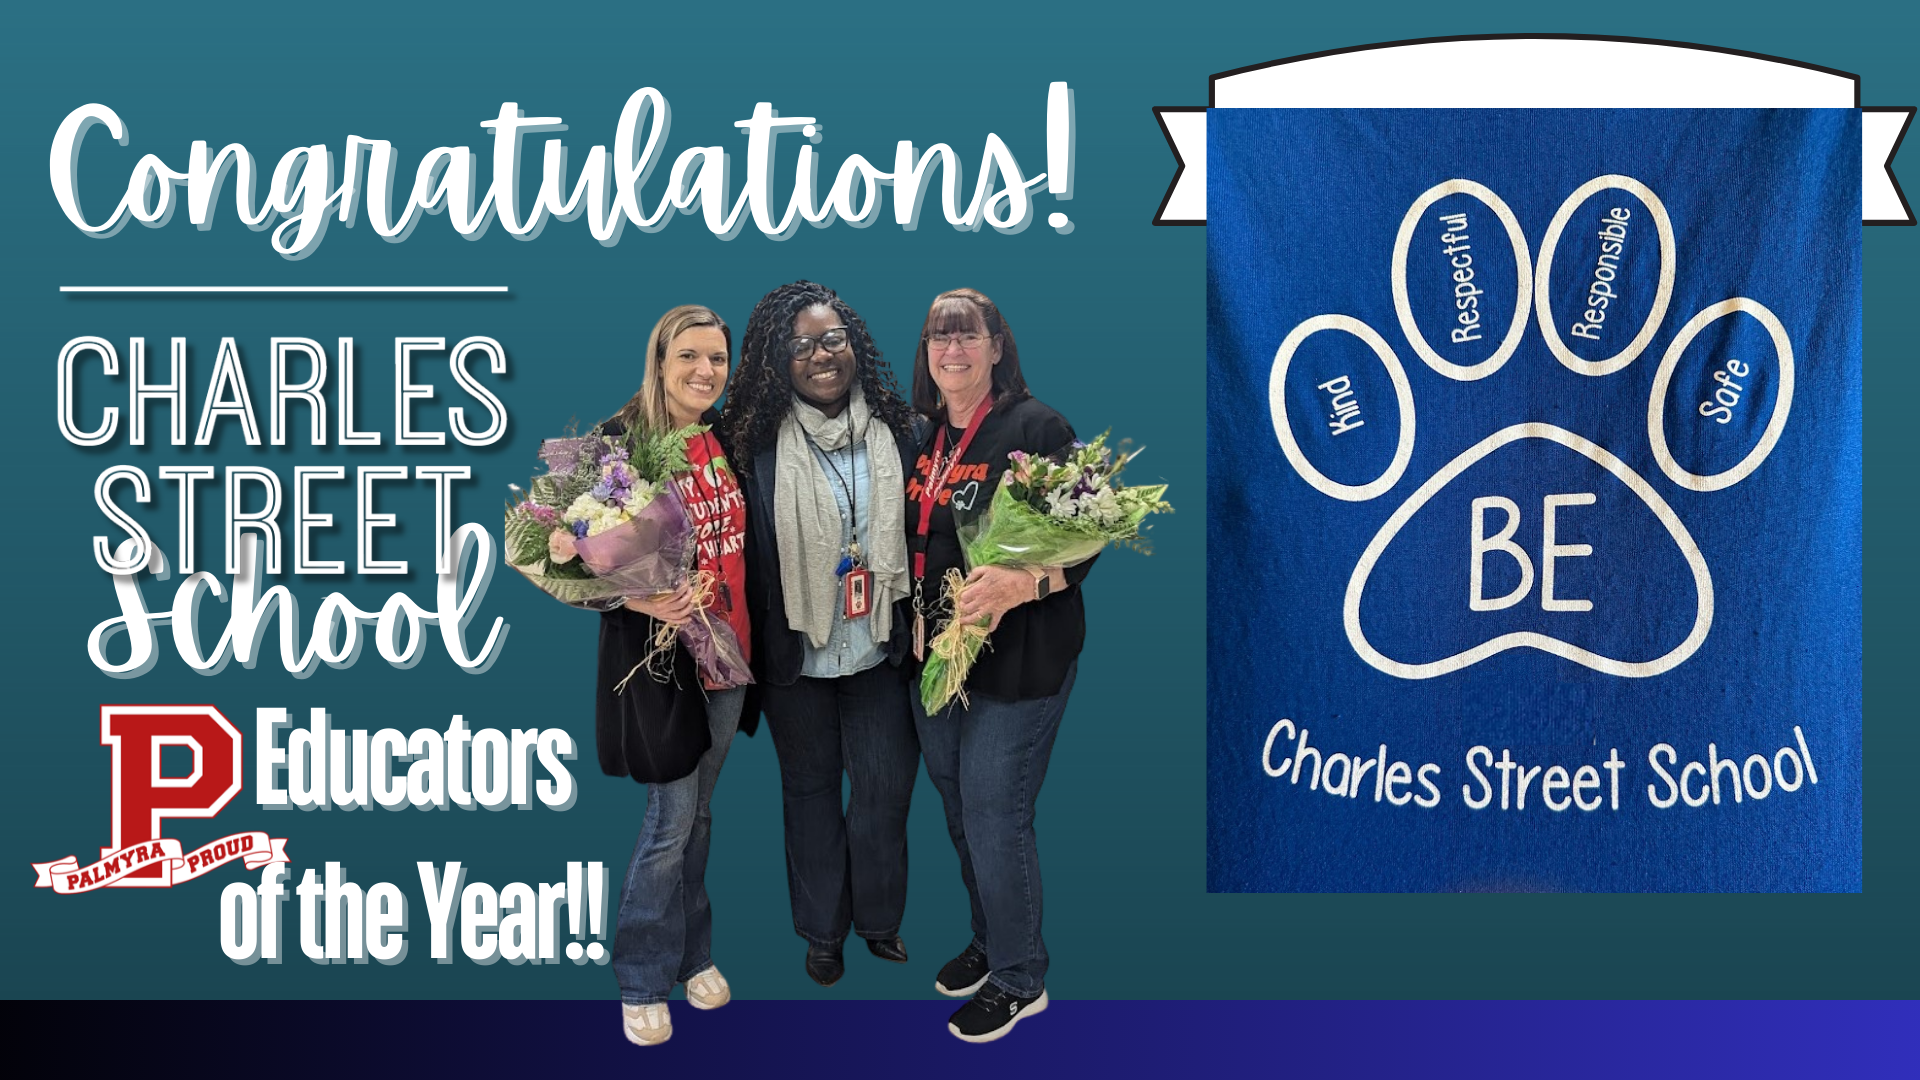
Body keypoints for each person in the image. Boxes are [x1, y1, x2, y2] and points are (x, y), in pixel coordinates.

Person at [720, 282, 922, 987]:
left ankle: (879, 922)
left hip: (879, 649)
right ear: (779, 360)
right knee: (808, 796)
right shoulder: (747, 445)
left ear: (856, 344)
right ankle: (821, 932)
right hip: (794, 658)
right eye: (801, 344)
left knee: (884, 793)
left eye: (832, 338)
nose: (820, 354)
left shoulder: (905, 430)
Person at [905, 288, 1090, 1043]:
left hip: (1019, 664)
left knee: (995, 815)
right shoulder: (924, 436)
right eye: (939, 337)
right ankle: (991, 938)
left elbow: (1090, 534)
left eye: (967, 335)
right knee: (959, 811)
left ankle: (1021, 978)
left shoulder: (1036, 426)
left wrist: (1025, 583)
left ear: (996, 346)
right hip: (939, 661)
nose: (953, 349)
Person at [600, 305, 752, 1047]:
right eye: (689, 356)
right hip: (666, 665)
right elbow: (559, 557)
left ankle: (696, 956)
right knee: (670, 822)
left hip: (732, 659)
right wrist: (634, 593)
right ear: (659, 361)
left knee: (701, 814)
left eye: (717, 359)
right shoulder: (618, 443)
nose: (704, 372)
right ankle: (639, 978)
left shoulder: (724, 436)